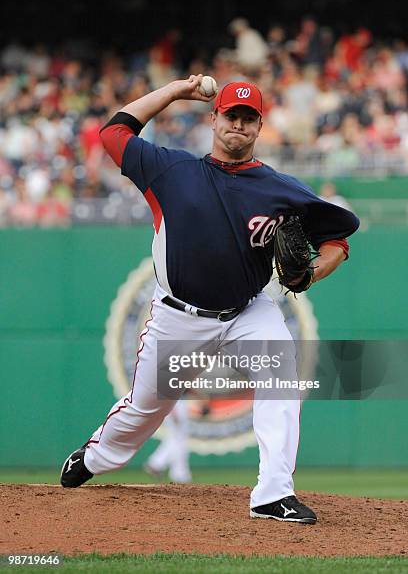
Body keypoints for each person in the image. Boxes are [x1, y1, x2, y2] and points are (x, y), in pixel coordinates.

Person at [60, 75, 359, 524]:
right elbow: (113, 133)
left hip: (247, 312)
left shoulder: (280, 189)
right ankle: (96, 457)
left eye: (248, 118)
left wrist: (312, 273)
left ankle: (272, 494)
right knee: (145, 409)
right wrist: (177, 90)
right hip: (179, 317)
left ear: (259, 127)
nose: (238, 124)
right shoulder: (170, 170)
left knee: (280, 371)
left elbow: (339, 238)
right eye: (231, 115)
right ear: (214, 117)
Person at [143, 399, 192, 483]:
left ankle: (175, 471)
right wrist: (173, 411)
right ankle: (158, 464)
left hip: (174, 404)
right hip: (175, 405)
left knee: (177, 441)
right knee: (178, 440)